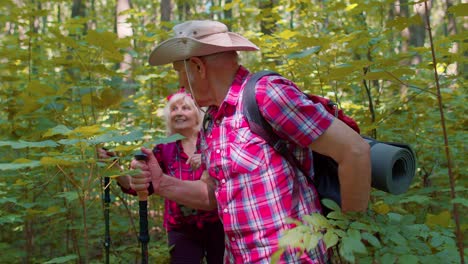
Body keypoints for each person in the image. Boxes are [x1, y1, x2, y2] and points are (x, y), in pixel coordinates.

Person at [130, 20, 371, 263]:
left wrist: (349, 236)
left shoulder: (266, 95)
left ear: (197, 67)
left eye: (179, 72)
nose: (180, 84)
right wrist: (160, 183)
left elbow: (354, 151)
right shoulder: (213, 120)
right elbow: (213, 196)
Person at [102, 90, 225, 264]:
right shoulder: (164, 147)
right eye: (174, 109)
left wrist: (207, 158)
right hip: (181, 228)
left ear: (197, 114)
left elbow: (227, 173)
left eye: (185, 108)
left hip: (217, 223)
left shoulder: (212, 140)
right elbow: (140, 186)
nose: (179, 112)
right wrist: (114, 167)